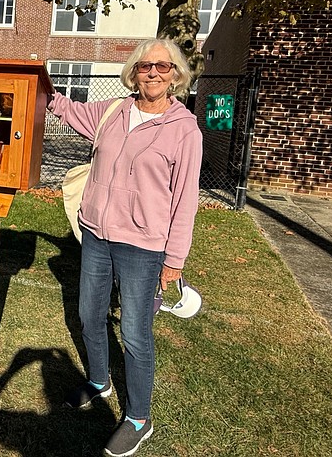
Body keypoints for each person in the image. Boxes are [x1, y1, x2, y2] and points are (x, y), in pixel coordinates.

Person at [49, 38, 202, 457]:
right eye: (145, 66)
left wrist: (174, 260)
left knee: (135, 333)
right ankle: (100, 381)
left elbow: (185, 200)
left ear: (177, 75)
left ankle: (139, 417)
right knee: (88, 314)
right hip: (97, 234)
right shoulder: (114, 110)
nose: (153, 73)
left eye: (163, 67)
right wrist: (42, 87)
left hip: (143, 246)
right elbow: (71, 111)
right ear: (134, 71)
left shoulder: (184, 129)